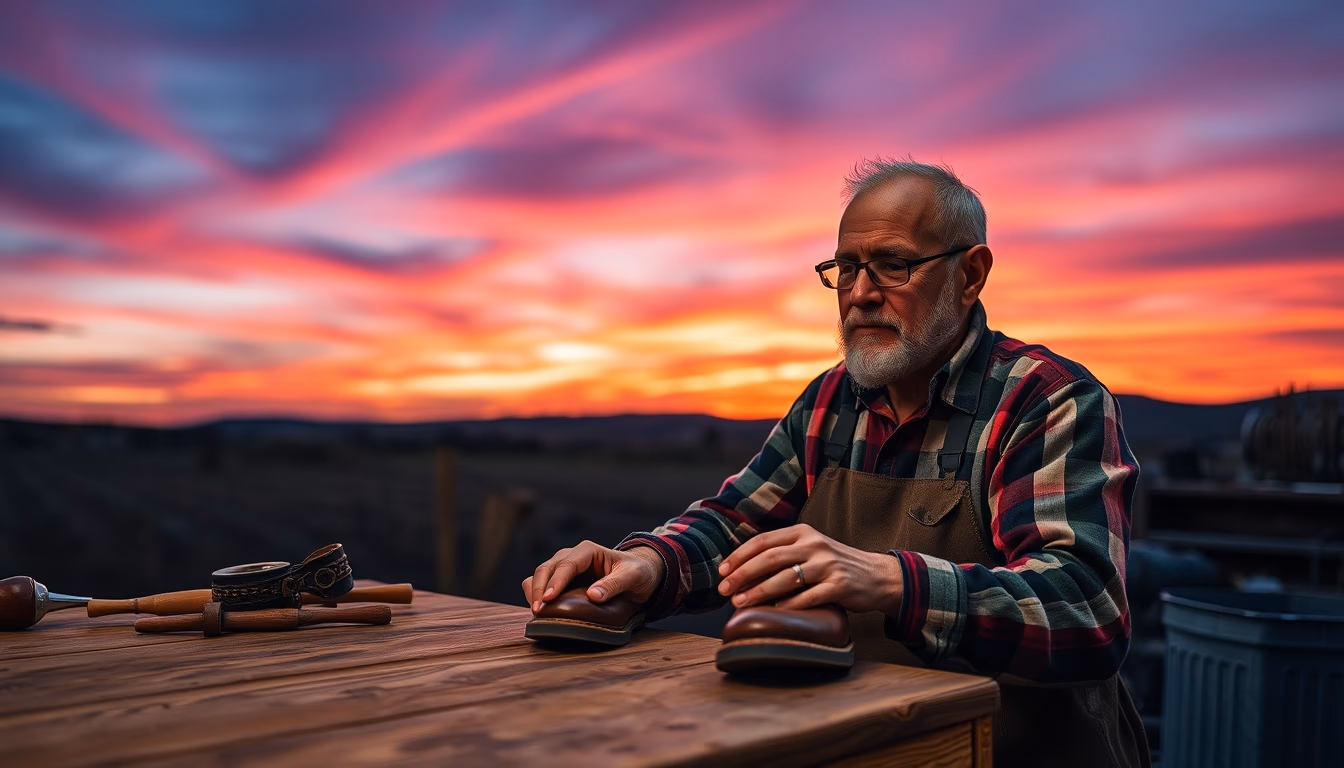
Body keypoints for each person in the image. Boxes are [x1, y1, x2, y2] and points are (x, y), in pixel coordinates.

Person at [522, 158, 1149, 767]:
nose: (860, 295)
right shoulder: (829, 400)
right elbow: (735, 522)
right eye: (846, 269)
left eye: (893, 265)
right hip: (877, 747)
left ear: (970, 274)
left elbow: (1088, 611)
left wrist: (888, 580)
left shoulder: (1047, 400)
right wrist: (645, 564)